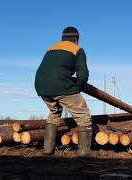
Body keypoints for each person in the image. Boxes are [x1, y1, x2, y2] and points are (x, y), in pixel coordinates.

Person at [35, 26, 95, 157]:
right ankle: (84, 152)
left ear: (62, 38)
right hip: (61, 85)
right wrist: (77, 89)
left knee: (54, 113)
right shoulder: (77, 50)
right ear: (76, 40)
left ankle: (47, 150)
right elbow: (83, 75)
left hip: (41, 86)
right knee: (83, 115)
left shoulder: (51, 48)